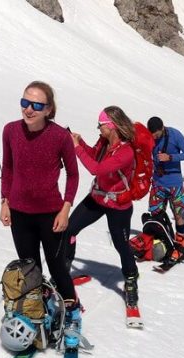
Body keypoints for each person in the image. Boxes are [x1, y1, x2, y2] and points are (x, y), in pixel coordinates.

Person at [0, 81, 79, 314]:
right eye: (25, 102)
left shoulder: (60, 136)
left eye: (36, 104)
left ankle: (72, 310)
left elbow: (73, 175)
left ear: (48, 110)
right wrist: (5, 202)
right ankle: (37, 307)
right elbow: (8, 169)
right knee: (29, 267)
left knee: (56, 267)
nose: (28, 109)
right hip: (19, 213)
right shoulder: (10, 130)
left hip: (50, 215)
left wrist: (65, 209)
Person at [66, 106, 139, 314]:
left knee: (121, 245)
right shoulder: (105, 143)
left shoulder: (126, 152)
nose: (98, 129)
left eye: (101, 125)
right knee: (69, 229)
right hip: (98, 198)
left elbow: (95, 169)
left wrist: (76, 148)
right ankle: (64, 271)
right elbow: (95, 159)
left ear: (112, 126)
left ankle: (131, 281)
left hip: (118, 205)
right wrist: (80, 144)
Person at [147, 116, 184, 261]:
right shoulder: (149, 137)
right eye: (151, 134)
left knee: (179, 215)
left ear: (162, 128)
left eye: (156, 134)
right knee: (156, 215)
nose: (154, 137)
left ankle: (180, 246)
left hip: (174, 183)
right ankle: (162, 243)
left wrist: (170, 157)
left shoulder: (174, 134)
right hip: (157, 182)